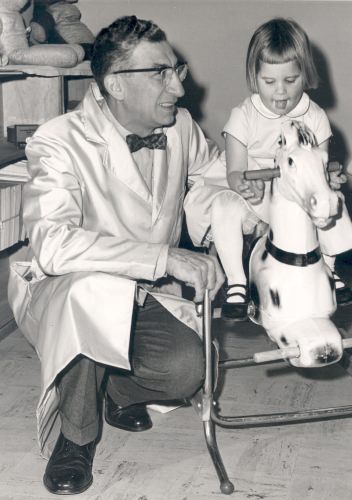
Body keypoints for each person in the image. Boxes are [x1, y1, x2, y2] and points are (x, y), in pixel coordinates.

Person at [7, 15, 226, 495]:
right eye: (161, 73)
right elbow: (54, 244)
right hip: (66, 287)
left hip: (144, 292)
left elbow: (219, 178)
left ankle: (115, 389)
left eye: (177, 70)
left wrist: (285, 178)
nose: (178, 88)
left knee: (191, 368)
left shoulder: (182, 128)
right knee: (92, 292)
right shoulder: (58, 140)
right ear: (115, 85)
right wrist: (164, 257)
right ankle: (76, 436)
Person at [185, 17, 352, 321]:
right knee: (223, 206)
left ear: (306, 75)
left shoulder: (314, 117)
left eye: (290, 80)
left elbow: (317, 168)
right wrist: (243, 185)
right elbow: (235, 170)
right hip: (254, 194)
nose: (280, 92)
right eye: (269, 81)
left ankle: (328, 268)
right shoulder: (244, 115)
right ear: (254, 76)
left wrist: (330, 179)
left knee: (331, 203)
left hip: (292, 194)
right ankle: (236, 281)